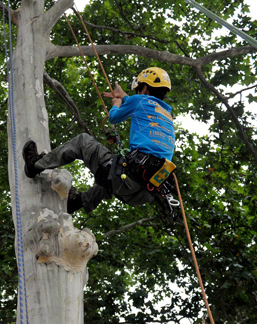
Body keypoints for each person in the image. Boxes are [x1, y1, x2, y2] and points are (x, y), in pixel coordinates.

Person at [23, 67, 178, 215]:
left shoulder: (140, 100)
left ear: (144, 88)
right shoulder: (167, 116)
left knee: (83, 142)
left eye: (139, 90)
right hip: (144, 194)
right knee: (111, 174)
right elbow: (143, 106)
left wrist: (116, 105)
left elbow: (114, 117)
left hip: (127, 178)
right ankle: (78, 202)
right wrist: (124, 96)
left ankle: (35, 164)